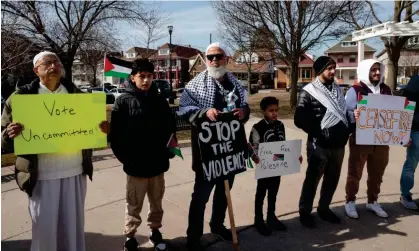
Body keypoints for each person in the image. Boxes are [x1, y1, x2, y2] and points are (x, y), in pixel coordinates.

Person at [1, 51, 108, 251]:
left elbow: (93, 128)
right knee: (44, 229)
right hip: (40, 175)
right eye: (48, 63)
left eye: (56, 62)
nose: (54, 66)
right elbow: (1, 139)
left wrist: (102, 129)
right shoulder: (20, 98)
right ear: (36, 70)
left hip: (74, 171)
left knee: (73, 228)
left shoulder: (77, 96)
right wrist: (7, 134)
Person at [178, 42, 250, 250]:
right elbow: (184, 108)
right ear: (206, 60)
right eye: (210, 57)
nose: (214, 60)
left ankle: (217, 225)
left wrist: (243, 112)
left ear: (226, 59)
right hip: (207, 152)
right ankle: (194, 237)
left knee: (224, 193)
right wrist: (204, 112)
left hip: (230, 149)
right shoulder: (195, 85)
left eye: (218, 56)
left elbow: (244, 106)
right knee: (200, 196)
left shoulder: (236, 84)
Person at [110, 59, 176, 251]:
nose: (146, 80)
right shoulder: (123, 101)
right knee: (133, 204)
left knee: (156, 203)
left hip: (157, 164)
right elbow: (116, 136)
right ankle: (130, 236)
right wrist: (126, 159)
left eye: (149, 76)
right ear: (133, 77)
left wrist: (169, 152)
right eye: (142, 76)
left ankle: (155, 231)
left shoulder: (159, 100)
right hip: (135, 165)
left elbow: (169, 129)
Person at [294, 56, 350, 228]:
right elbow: (299, 118)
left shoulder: (338, 90)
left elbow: (344, 113)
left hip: (339, 145)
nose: (333, 71)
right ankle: (305, 212)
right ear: (319, 71)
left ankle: (324, 209)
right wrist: (319, 131)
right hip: (319, 145)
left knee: (332, 180)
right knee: (312, 180)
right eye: (329, 68)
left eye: (334, 67)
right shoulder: (308, 91)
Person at [344, 59, 392, 219]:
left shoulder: (386, 90)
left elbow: (394, 113)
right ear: (366, 71)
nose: (377, 73)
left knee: (377, 172)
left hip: (381, 140)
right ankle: (350, 201)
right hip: (361, 139)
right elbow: (346, 114)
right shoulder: (355, 90)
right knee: (355, 172)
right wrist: (353, 115)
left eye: (379, 69)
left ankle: (372, 201)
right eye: (373, 70)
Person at [249, 96, 302, 236]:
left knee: (273, 193)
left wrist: (293, 157)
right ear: (264, 111)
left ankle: (271, 217)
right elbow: (252, 146)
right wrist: (255, 156)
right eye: (271, 110)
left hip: (277, 167)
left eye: (276, 110)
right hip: (264, 167)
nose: (274, 113)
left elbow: (282, 147)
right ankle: (258, 220)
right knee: (261, 194)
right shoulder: (257, 127)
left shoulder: (280, 125)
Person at [400, 74, 419, 210]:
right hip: (417, 130)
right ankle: (405, 195)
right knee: (411, 163)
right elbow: (406, 107)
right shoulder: (415, 82)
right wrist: (405, 133)